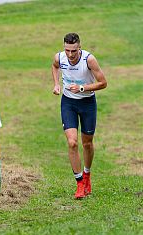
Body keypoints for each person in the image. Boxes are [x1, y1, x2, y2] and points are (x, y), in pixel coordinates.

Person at [51, 33, 107, 199]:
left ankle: (87, 174)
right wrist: (56, 84)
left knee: (87, 144)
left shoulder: (89, 60)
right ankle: (80, 183)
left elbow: (103, 83)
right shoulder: (59, 57)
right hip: (68, 103)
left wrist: (83, 88)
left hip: (87, 103)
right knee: (72, 142)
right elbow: (54, 66)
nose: (70, 54)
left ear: (79, 48)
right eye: (67, 50)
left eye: (73, 51)